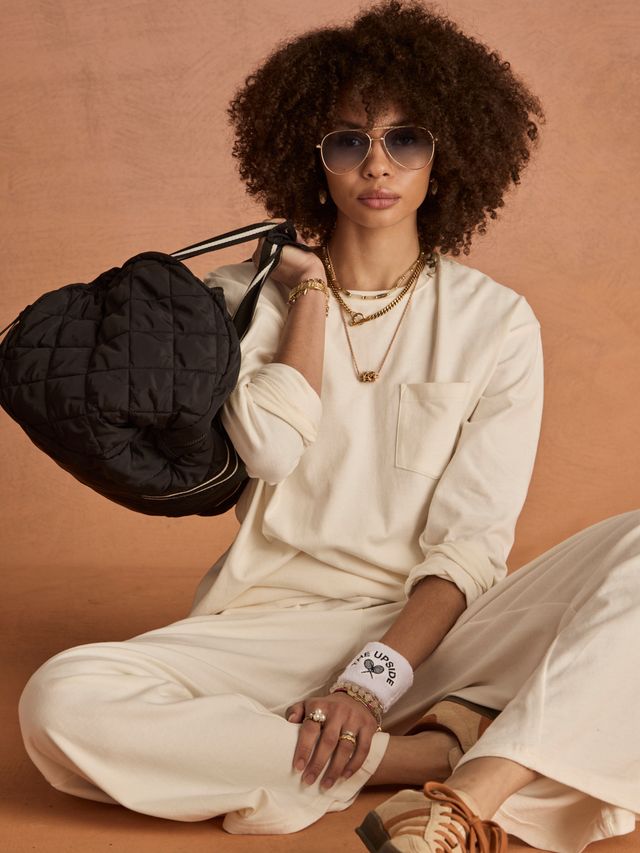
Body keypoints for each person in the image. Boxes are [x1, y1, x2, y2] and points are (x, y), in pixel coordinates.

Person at [16, 2, 640, 852]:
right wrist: (306, 292)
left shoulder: (496, 322)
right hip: (267, 627)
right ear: (312, 160)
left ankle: (461, 772)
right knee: (58, 701)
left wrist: (368, 682)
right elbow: (271, 447)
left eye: (405, 139)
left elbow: (469, 547)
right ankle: (425, 755)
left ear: (447, 155)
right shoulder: (243, 298)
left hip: (440, 636)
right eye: (348, 142)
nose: (376, 165)